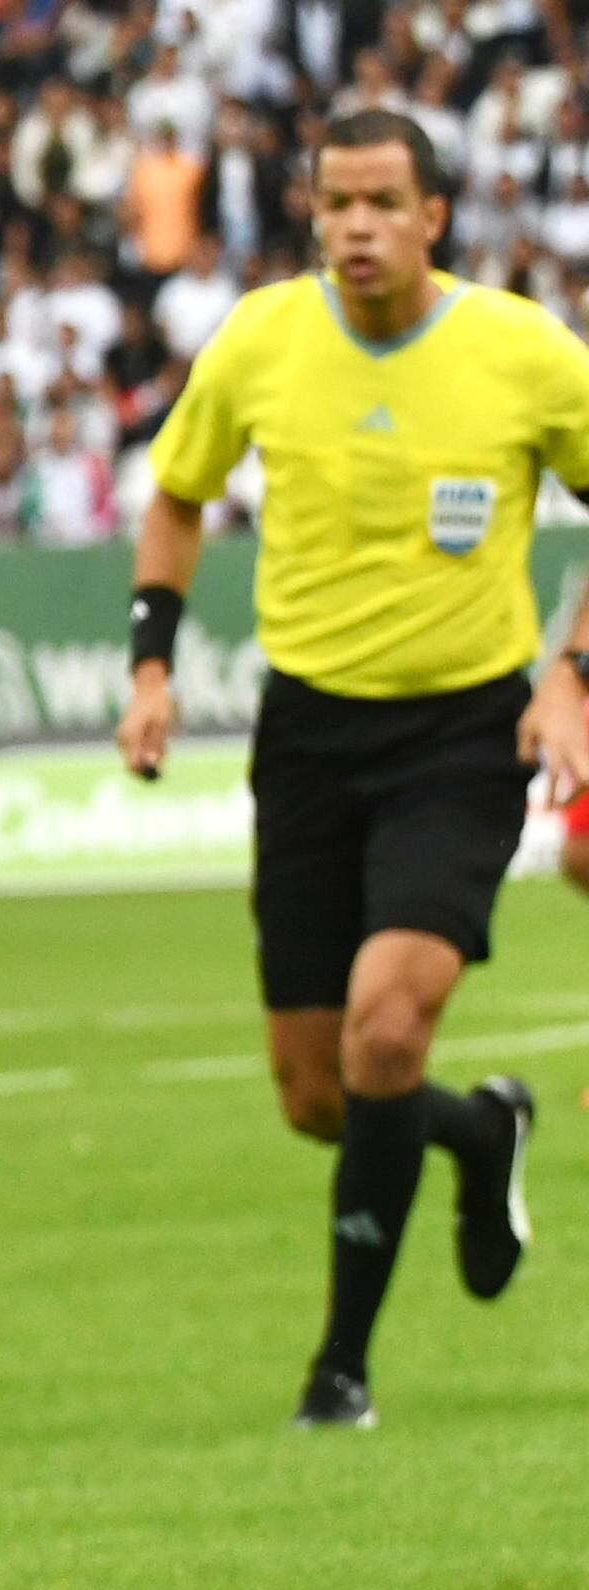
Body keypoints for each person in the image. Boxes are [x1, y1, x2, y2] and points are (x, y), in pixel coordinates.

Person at [123, 108, 587, 1429]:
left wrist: (571, 673)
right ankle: (480, 1132)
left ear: (435, 217)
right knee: (320, 1094)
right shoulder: (264, 339)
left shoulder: (524, 353)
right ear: (312, 213)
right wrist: (151, 663)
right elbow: (177, 491)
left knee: (392, 1023)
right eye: (338, 205)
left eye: (386, 202)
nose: (359, 227)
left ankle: (342, 1369)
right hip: (310, 735)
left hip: (464, 732)